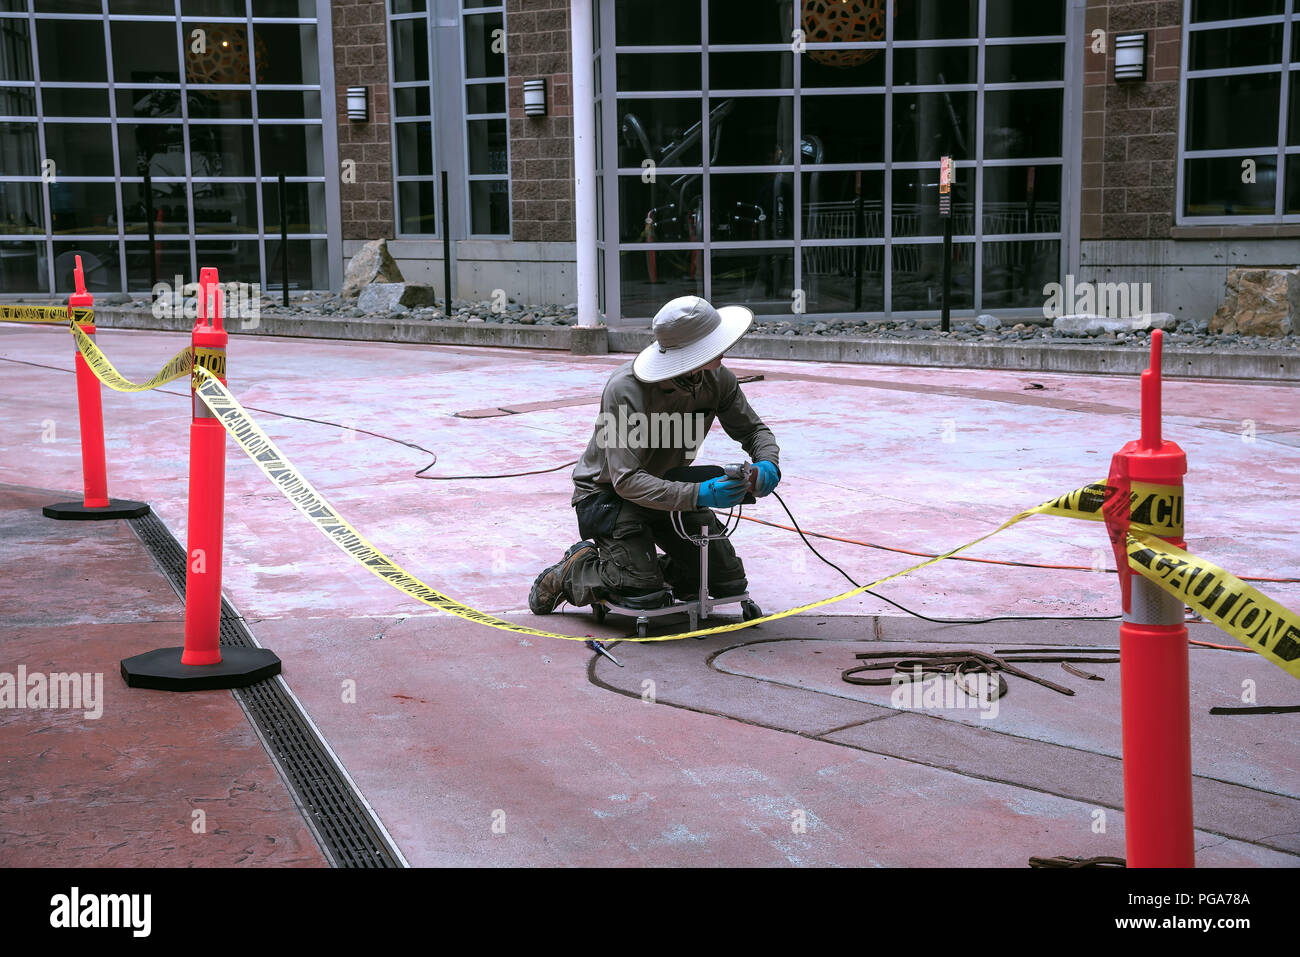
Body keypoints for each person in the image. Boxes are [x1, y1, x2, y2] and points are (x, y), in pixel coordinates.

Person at [529, 295, 781, 615]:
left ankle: (647, 564)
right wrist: (699, 493)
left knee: (725, 582)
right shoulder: (627, 388)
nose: (723, 348)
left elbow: (754, 431)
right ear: (690, 352)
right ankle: (576, 570)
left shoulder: (718, 379)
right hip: (608, 495)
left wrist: (767, 464)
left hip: (667, 486)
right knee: (641, 594)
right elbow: (627, 480)